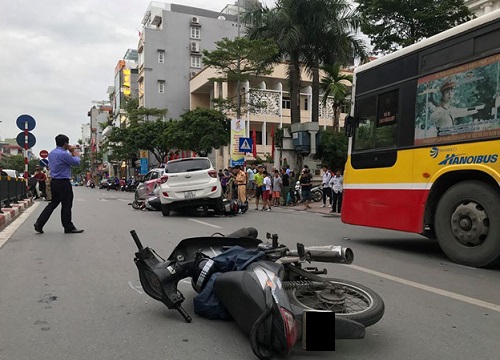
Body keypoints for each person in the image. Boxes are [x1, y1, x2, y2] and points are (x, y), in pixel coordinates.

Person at [34, 134, 83, 234]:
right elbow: (76, 162)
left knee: (53, 203)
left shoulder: (51, 153)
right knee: (66, 204)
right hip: (63, 182)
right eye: (67, 143)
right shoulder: (64, 154)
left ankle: (39, 223)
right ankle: (68, 226)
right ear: (65, 143)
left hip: (54, 181)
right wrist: (74, 152)